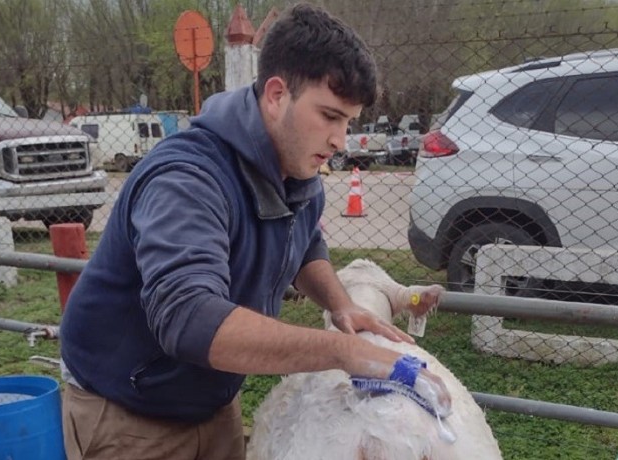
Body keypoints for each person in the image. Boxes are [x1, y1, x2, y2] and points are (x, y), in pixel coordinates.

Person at [59, 4, 450, 459]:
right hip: (130, 411)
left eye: (348, 121)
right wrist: (346, 352)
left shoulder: (295, 169)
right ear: (277, 94)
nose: (340, 140)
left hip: (212, 399)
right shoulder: (187, 179)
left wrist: (340, 304)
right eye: (328, 116)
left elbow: (304, 243)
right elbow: (189, 319)